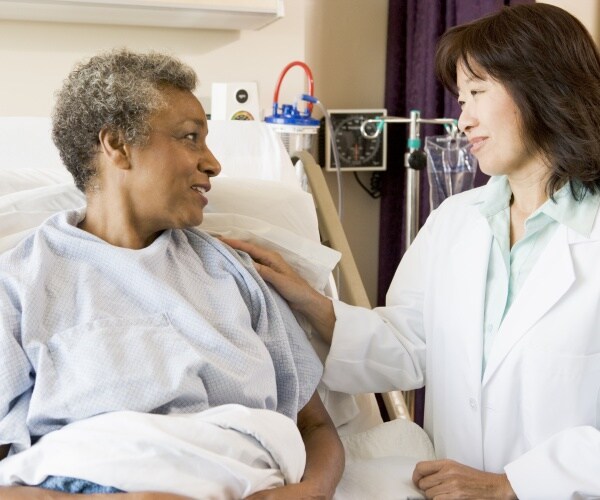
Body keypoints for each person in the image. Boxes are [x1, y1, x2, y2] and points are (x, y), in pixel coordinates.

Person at [225, 4, 600, 499]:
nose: (464, 119)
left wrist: (515, 485)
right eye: (461, 98)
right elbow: (406, 342)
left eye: (478, 93)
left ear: (543, 88)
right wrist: (311, 302)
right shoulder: (456, 220)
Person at [0, 49, 344, 499]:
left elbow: (316, 425)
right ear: (118, 146)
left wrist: (307, 494)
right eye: (190, 137)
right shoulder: (22, 281)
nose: (213, 163)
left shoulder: (233, 271)